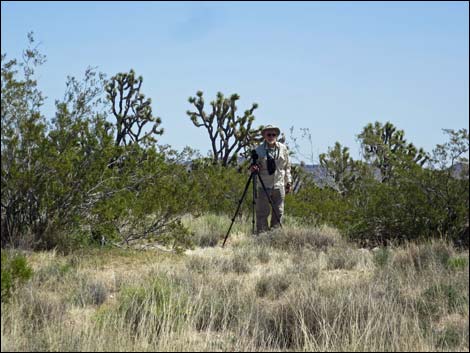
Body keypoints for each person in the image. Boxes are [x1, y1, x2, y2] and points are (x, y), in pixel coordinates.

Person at [250, 125, 292, 233]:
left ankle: (275, 236)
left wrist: (289, 182)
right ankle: (262, 237)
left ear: (277, 136)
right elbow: (254, 166)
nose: (271, 137)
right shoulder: (258, 150)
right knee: (262, 213)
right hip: (264, 185)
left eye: (273, 134)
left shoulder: (283, 149)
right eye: (269, 134)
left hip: (279, 185)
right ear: (264, 135)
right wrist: (255, 168)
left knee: (278, 212)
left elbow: (287, 167)